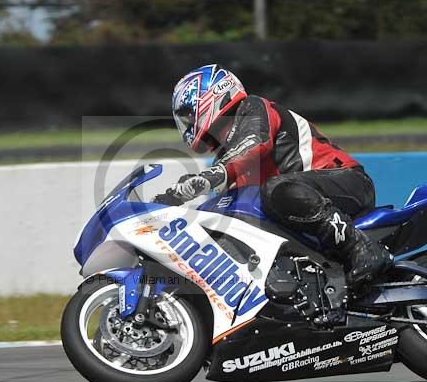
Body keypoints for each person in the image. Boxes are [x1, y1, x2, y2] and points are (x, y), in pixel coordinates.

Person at [164, 63, 393, 287]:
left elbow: (254, 144)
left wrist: (212, 176)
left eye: (187, 115)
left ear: (210, 96)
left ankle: (359, 247)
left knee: (275, 189)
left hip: (345, 182)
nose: (186, 124)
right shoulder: (227, 161)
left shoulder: (252, 109)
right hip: (298, 211)